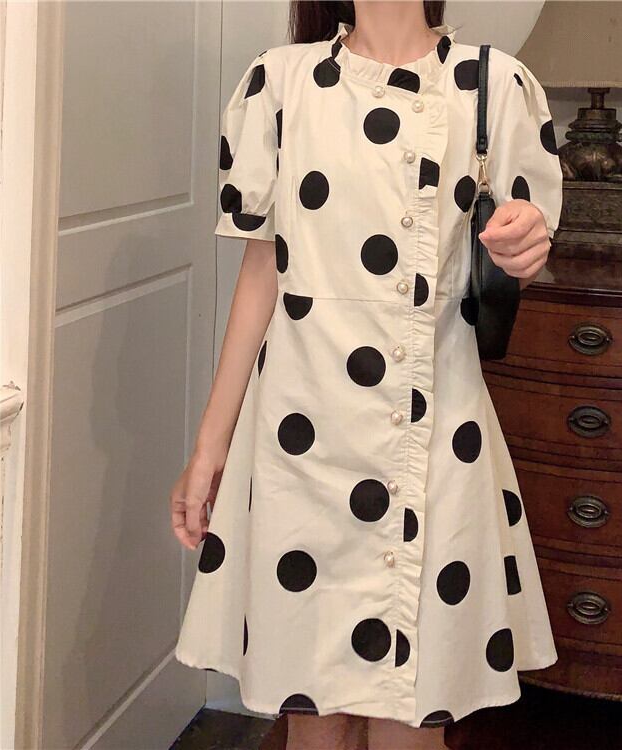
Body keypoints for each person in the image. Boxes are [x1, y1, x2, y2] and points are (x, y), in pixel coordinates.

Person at [170, 1, 563, 748]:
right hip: (301, 444)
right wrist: (208, 450)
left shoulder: (496, 86)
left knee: (413, 718)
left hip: (437, 438)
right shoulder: (279, 83)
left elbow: (522, 241)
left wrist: (528, 245)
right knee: (313, 718)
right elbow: (261, 275)